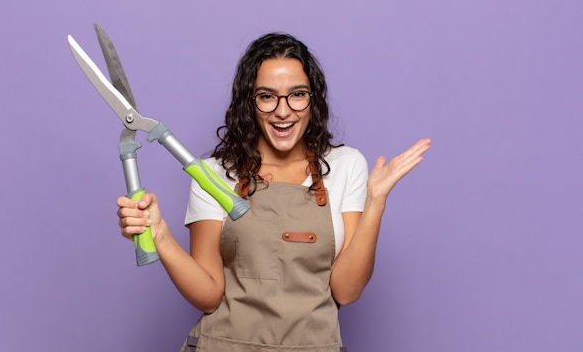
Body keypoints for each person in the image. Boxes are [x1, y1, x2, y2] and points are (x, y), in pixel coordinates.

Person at [116, 33, 431, 352]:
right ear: (249, 102)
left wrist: (375, 202)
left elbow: (346, 291)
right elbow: (209, 295)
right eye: (267, 96)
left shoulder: (346, 165)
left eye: (297, 94)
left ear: (313, 99)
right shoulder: (213, 174)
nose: (283, 111)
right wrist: (161, 237)